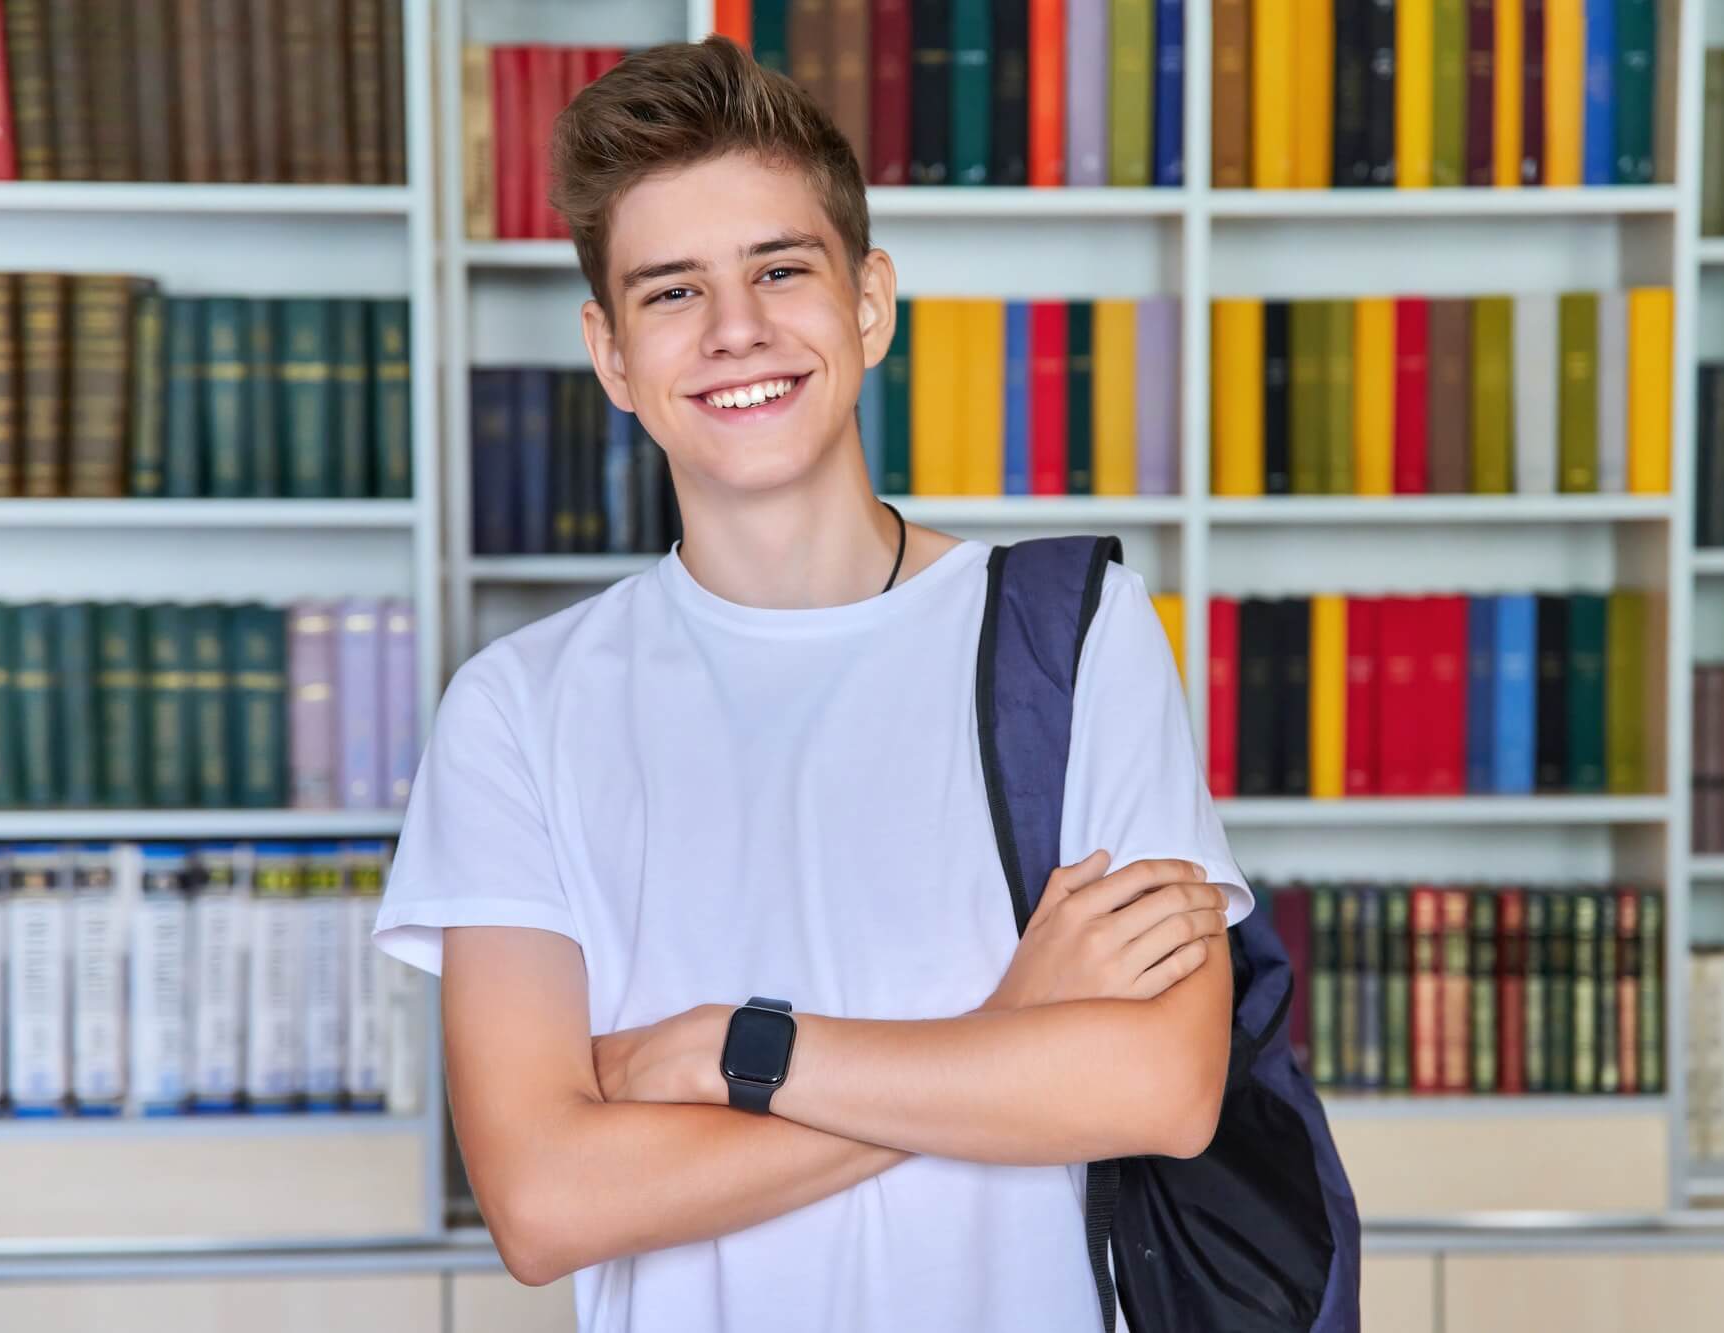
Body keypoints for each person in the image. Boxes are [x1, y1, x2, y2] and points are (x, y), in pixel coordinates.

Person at [373, 34, 1256, 1333]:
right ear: (612, 355)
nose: (737, 331)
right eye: (671, 293)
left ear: (868, 301)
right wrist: (1004, 1034)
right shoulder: (518, 708)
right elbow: (545, 1200)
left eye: (779, 269)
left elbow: (1161, 1089)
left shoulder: (1073, 637)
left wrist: (734, 1049)